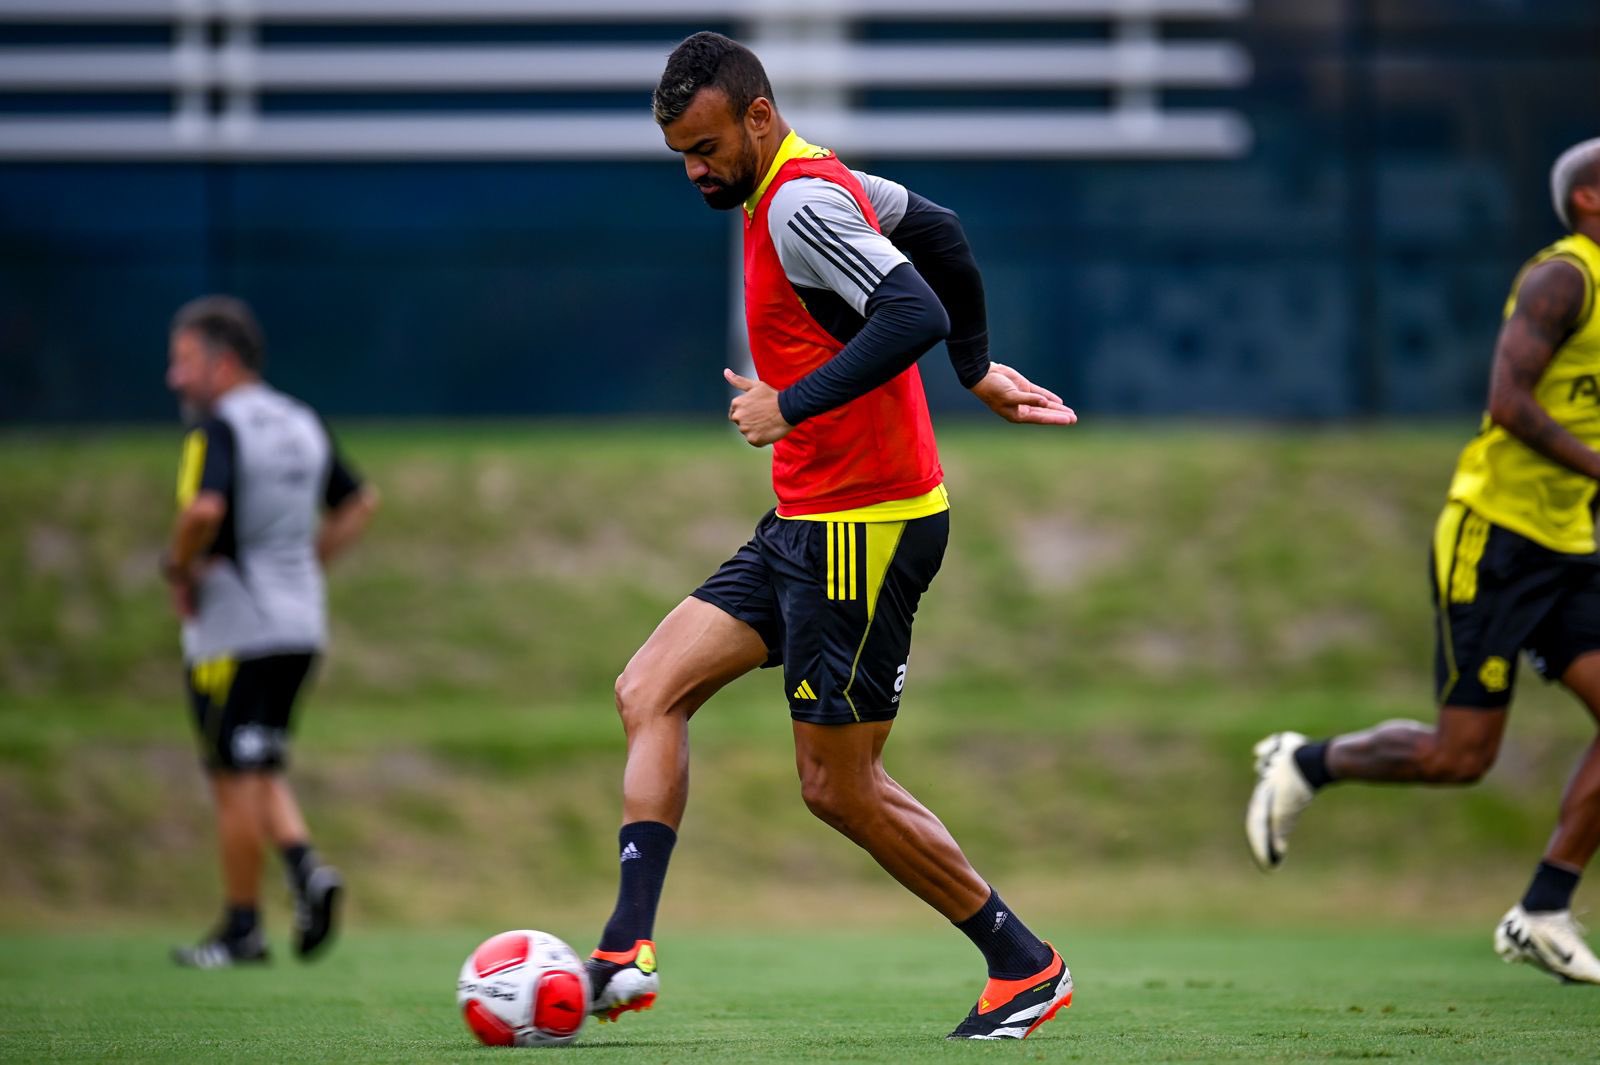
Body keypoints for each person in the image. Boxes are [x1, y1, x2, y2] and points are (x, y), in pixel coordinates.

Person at [582, 32, 1079, 1041]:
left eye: (707, 146)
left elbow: (910, 309)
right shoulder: (813, 182)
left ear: (758, 117)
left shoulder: (803, 202)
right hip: (809, 519)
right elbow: (935, 228)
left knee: (835, 786)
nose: (695, 170)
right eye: (682, 152)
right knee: (648, 689)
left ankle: (1023, 965)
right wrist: (978, 371)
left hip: (867, 528)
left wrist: (792, 404)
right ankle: (624, 949)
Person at [1248, 136, 1600, 985]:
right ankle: (1308, 761)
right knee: (1460, 756)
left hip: (1573, 545)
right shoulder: (1566, 276)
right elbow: (1508, 402)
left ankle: (1543, 908)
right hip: (1496, 539)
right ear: (1589, 199)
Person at [162, 295, 378, 968]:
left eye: (184, 360)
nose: (175, 377)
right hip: (300, 622)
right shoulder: (300, 420)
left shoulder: (219, 426)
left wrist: (177, 564)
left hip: (236, 624)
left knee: (232, 772)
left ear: (222, 363)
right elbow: (359, 501)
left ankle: (241, 927)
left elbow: (205, 506)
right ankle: (305, 868)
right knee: (260, 760)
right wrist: (309, 563)